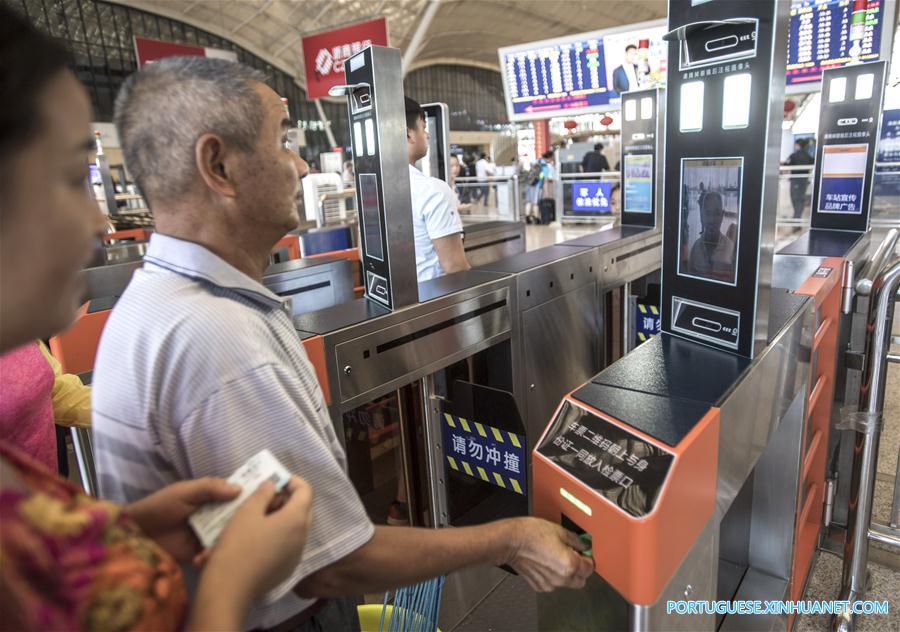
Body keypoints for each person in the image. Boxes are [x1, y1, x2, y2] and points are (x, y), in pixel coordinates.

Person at [91, 58, 592, 631]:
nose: (301, 164)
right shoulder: (216, 338)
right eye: (280, 143)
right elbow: (328, 564)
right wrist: (513, 537)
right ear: (219, 165)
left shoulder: (158, 304)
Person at [0, 8, 314, 630]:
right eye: (70, 178)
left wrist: (128, 528)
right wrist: (230, 582)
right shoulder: (203, 324)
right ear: (217, 166)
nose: (99, 224)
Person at [406, 97, 471, 282]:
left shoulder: (372, 188)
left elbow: (364, 254)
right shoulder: (433, 190)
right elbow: (455, 266)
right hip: (433, 300)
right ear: (409, 134)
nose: (427, 134)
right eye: (423, 127)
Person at [0, 340, 91, 471]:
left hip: (48, 475)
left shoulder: (16, 326)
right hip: (14, 485)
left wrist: (123, 408)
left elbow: (55, 392)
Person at [686, 191, 736, 282]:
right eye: (708, 213)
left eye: (716, 213)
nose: (712, 220)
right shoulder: (695, 248)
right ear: (701, 215)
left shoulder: (731, 249)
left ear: (722, 215)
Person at [784, 138, 814, 219]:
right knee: (800, 198)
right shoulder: (809, 156)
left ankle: (796, 218)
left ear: (797, 145)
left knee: (795, 198)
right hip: (804, 180)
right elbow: (813, 165)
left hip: (795, 180)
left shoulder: (794, 155)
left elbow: (786, 164)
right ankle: (797, 217)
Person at [524, 150, 556, 223]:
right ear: (549, 158)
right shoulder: (545, 166)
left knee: (528, 201)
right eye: (552, 158)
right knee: (536, 202)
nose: (552, 160)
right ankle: (536, 218)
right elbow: (545, 180)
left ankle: (527, 218)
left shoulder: (537, 161)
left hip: (529, 183)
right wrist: (546, 193)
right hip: (537, 185)